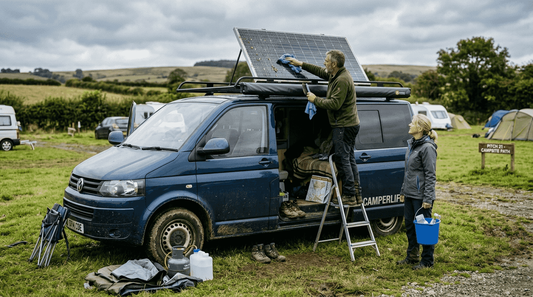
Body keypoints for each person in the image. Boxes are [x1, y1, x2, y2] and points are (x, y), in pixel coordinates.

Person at [286, 50, 361, 206]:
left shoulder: (341, 80)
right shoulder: (336, 75)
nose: (324, 63)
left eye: (326, 61)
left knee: (342, 159)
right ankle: (356, 194)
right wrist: (301, 64)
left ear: (333, 64)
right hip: (348, 124)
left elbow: (334, 104)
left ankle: (349, 195)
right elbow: (321, 72)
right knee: (349, 159)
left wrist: (315, 99)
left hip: (344, 126)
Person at [397, 114, 438, 269]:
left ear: (420, 128)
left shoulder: (427, 148)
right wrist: (403, 191)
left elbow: (430, 174)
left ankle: (427, 261)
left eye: (412, 123)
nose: (409, 125)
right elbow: (408, 172)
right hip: (409, 194)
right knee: (410, 226)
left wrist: (428, 198)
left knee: (424, 229)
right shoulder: (412, 145)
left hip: (421, 197)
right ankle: (412, 256)